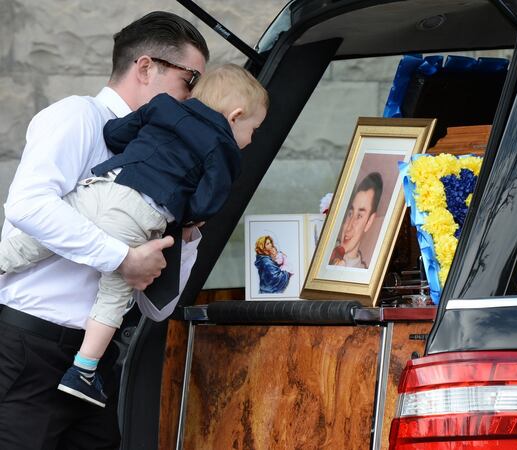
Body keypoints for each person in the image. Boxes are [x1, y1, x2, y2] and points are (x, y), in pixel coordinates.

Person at [0, 64, 268, 407]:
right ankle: (83, 371)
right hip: (137, 217)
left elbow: (116, 134)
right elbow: (207, 202)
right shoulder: (225, 149)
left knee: (29, 243)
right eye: (254, 130)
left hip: (101, 186)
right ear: (236, 115)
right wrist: (187, 215)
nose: (251, 139)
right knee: (112, 295)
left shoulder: (163, 107)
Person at [0, 11, 209, 449]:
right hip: (29, 348)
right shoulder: (78, 116)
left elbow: (156, 305)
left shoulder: (167, 161)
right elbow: (27, 204)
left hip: (95, 359)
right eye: (190, 81)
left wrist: (186, 239)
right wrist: (122, 257)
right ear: (147, 67)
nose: (193, 100)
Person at [329, 172, 383, 269]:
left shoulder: (361, 274)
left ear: (369, 222)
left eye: (359, 216)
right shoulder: (325, 250)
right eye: (350, 214)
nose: (349, 226)